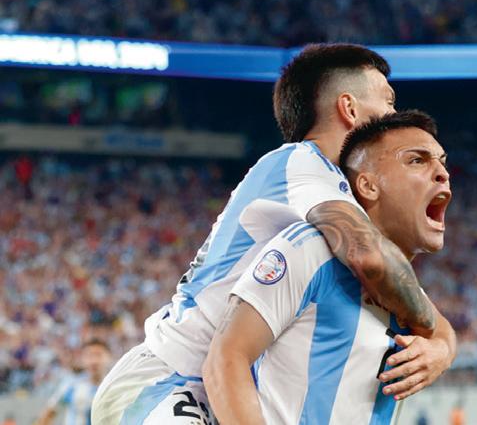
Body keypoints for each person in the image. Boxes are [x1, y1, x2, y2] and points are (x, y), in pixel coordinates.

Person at [92, 44, 455, 424]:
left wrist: (443, 347)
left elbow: (400, 280)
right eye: (388, 102)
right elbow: (372, 259)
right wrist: (432, 333)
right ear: (349, 108)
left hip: (220, 385)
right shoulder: (300, 162)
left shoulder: (337, 195)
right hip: (166, 377)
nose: (394, 116)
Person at [203, 111, 453, 424]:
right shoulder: (310, 248)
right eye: (417, 160)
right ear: (368, 185)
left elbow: (442, 330)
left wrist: (442, 350)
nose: (443, 173)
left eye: (443, 162)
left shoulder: (405, 292)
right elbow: (225, 361)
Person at [35, 339, 111, 425]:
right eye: (89, 355)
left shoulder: (114, 388)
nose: (94, 361)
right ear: (83, 359)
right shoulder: (72, 386)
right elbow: (48, 414)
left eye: (98, 355)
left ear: (109, 357)